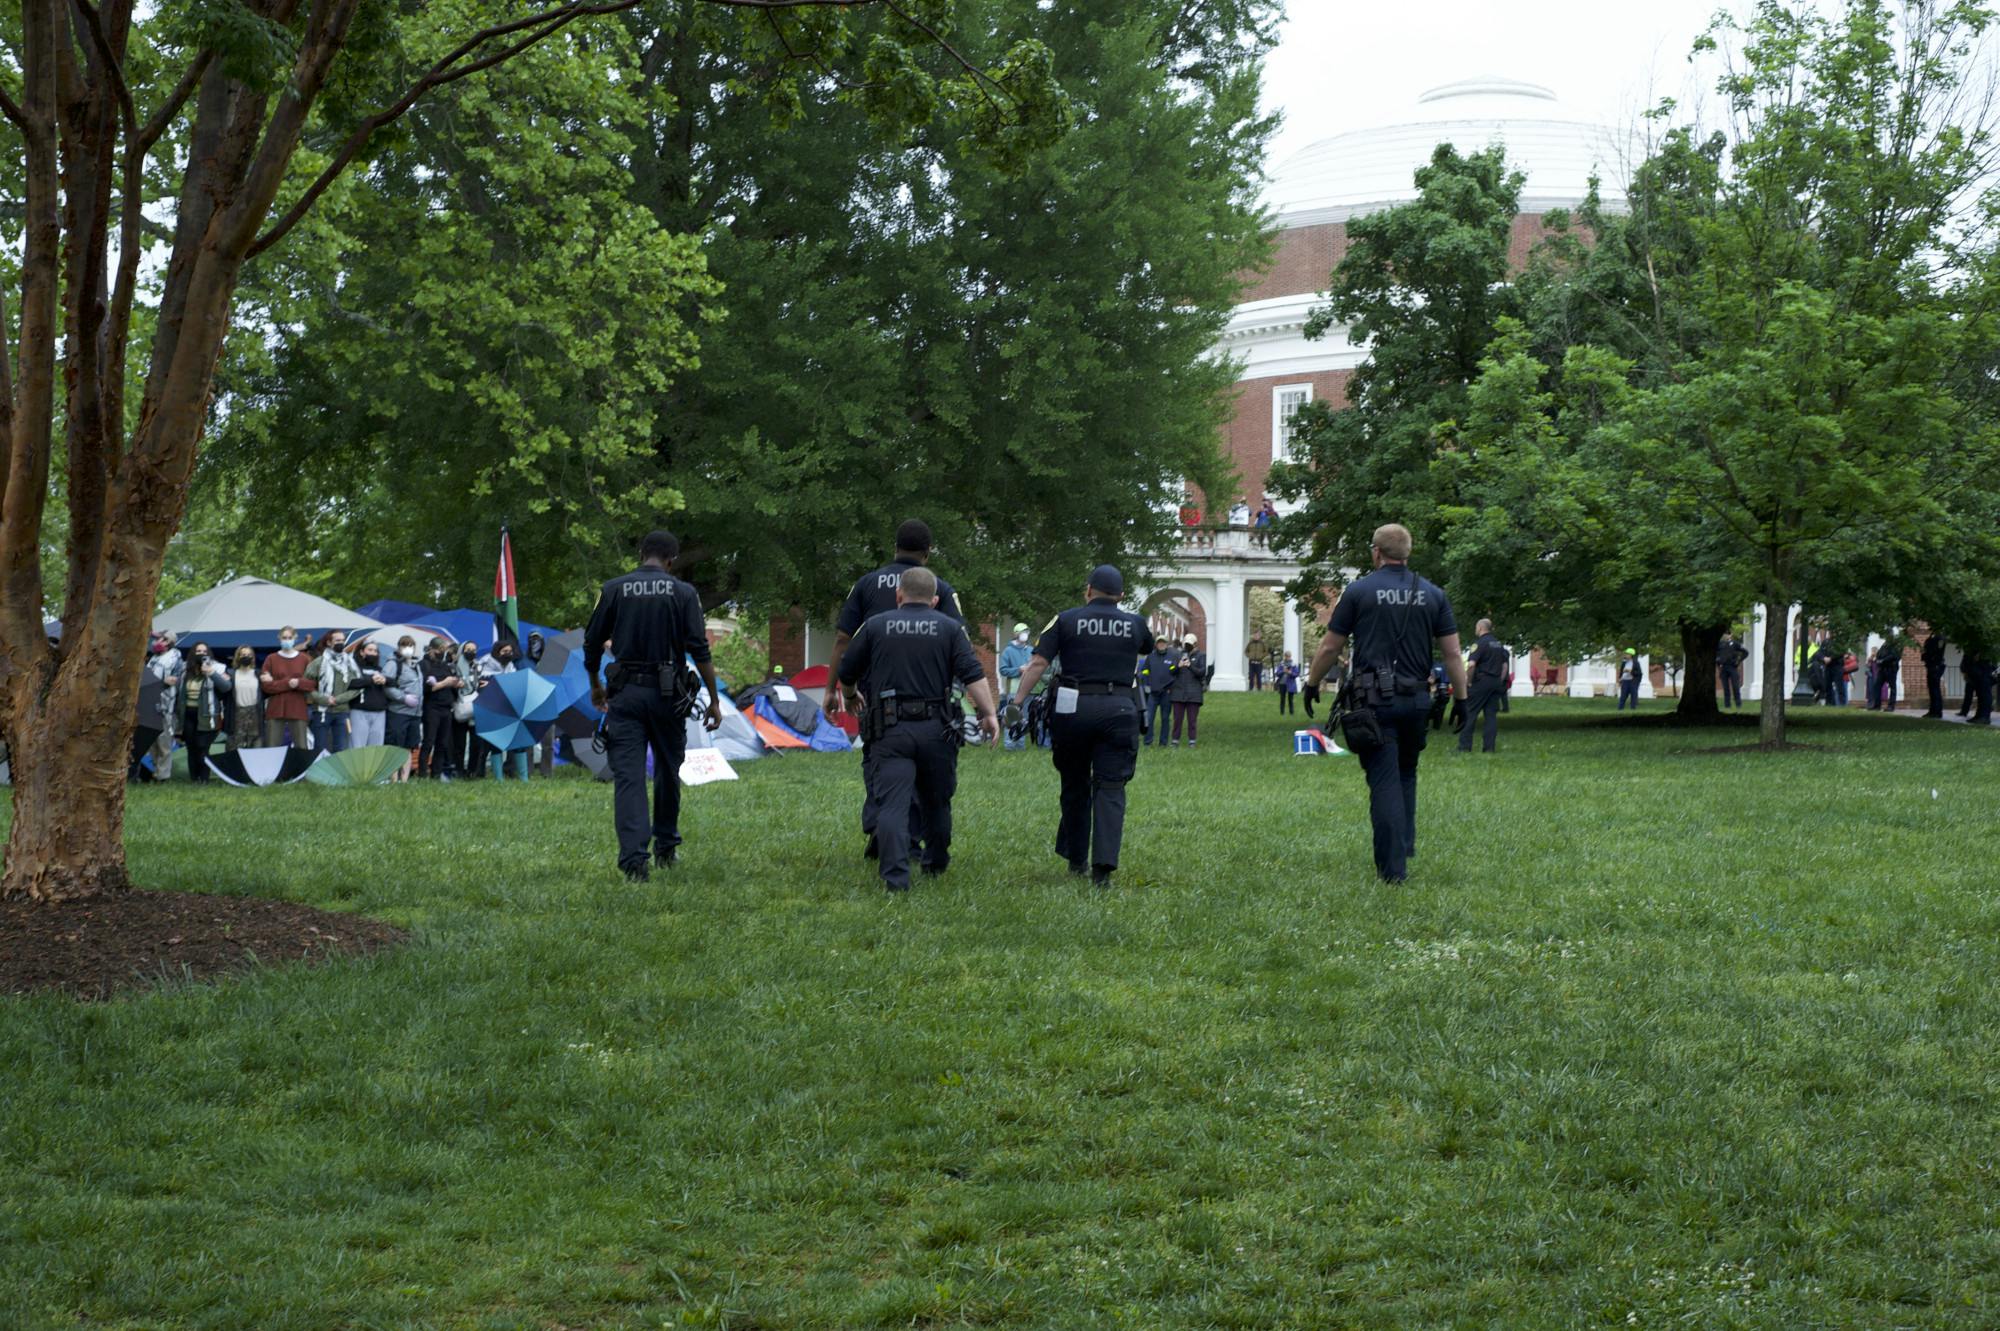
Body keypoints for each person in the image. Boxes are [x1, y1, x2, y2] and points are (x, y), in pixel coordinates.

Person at [1300, 522, 1466, 884]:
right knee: (1406, 773)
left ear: (1376, 552)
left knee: (1384, 779)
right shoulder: (1433, 594)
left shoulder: (1359, 591)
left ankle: (1393, 870)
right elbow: (1453, 653)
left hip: (1374, 701)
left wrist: (1312, 683)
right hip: (1418, 700)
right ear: (1408, 553)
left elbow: (1330, 646)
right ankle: (1402, 846)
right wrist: (1462, 699)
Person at [835, 566, 997, 891]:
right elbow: (972, 674)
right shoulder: (950, 629)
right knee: (937, 801)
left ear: (898, 596)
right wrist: (989, 713)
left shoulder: (875, 625)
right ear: (935, 600)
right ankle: (935, 863)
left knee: (893, 804)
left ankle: (895, 878)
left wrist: (851, 696)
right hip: (938, 729)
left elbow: (847, 669)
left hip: (890, 728)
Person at [585, 528, 723, 882]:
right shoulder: (684, 593)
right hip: (669, 695)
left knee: (629, 777)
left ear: (641, 555)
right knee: (667, 771)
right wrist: (714, 700)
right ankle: (666, 847)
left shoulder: (613, 589)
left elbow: (592, 642)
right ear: (671, 561)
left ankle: (634, 861)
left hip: (625, 694)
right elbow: (699, 649)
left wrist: (596, 685)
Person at [824, 519, 963, 859]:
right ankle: (905, 838)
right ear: (928, 553)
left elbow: (843, 639)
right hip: (927, 697)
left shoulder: (866, 584)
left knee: (878, 760)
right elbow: (959, 641)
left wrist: (833, 689)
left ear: (894, 547)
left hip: (873, 693)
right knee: (918, 771)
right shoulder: (939, 588)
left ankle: (882, 827)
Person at [1006, 565, 1153, 888]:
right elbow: (1146, 647)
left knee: (1074, 783)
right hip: (1119, 709)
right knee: (1110, 788)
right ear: (1121, 595)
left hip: (1072, 709)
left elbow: (1038, 663)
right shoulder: (1135, 623)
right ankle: (1103, 871)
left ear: (1088, 590)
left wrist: (1016, 703)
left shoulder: (1065, 620)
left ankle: (1076, 858)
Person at [475, 639, 531, 779]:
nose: (508, 654)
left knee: (519, 744)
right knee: (496, 745)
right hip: (493, 712)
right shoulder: (485, 666)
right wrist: (501, 685)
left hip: (511, 711)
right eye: (504, 651)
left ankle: (524, 778)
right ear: (497, 652)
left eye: (510, 651)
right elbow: (482, 690)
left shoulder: (512, 668)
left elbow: (516, 688)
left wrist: (495, 684)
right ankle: (498, 778)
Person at [129, 634, 181, 782]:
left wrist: (161, 683)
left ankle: (163, 776)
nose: (159, 642)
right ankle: (154, 772)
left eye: (164, 640)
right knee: (150, 743)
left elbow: (172, 681)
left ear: (171, 643)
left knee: (164, 744)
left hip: (166, 708)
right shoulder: (153, 659)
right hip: (149, 706)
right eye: (159, 639)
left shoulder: (175, 660)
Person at [179, 642, 229, 782]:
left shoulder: (217, 668)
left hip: (207, 715)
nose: (201, 654)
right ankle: (194, 779)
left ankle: (204, 779)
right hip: (188, 714)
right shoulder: (184, 669)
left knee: (202, 747)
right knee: (191, 747)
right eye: (198, 651)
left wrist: (212, 673)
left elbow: (226, 687)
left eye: (204, 651)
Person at [304, 630, 359, 752]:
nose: (341, 643)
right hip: (321, 711)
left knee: (341, 748)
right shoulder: (318, 663)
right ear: (329, 642)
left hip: (343, 711)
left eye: (343, 640)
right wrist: (323, 699)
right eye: (337, 640)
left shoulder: (350, 663)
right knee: (319, 749)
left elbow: (357, 687)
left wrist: (337, 699)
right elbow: (306, 687)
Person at [1459, 618, 1508, 753]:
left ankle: (1464, 747)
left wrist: (1468, 681)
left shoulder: (1479, 643)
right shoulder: (1498, 644)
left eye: (1476, 627)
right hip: (1495, 682)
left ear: (1480, 628)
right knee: (1491, 716)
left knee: (1470, 713)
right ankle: (1489, 748)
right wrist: (1498, 680)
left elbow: (1471, 664)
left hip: (1481, 682)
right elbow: (1504, 666)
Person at [259, 626, 311, 748]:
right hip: (276, 708)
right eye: (284, 638)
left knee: (301, 748)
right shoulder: (271, 659)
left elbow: (312, 684)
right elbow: (266, 686)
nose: (287, 640)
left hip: (298, 708)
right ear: (279, 638)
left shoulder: (304, 659)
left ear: (295, 638)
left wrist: (298, 683)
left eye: (289, 637)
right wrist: (289, 683)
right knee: (272, 747)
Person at [418, 637, 462, 779]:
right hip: (432, 707)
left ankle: (436, 773)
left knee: (442, 743)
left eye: (444, 650)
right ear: (431, 649)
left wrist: (455, 683)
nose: (442, 652)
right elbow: (425, 688)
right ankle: (422, 773)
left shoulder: (445, 666)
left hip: (446, 707)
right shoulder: (423, 664)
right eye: (439, 649)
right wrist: (444, 683)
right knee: (428, 741)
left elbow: (451, 682)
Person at [382, 635, 425, 779]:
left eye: (411, 646)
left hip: (415, 713)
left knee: (409, 747)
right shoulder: (393, 664)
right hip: (398, 712)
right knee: (395, 746)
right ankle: (394, 779)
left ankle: (404, 780)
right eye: (405, 645)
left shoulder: (416, 665)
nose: (408, 649)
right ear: (399, 647)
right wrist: (403, 698)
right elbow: (387, 687)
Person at [349, 639, 392, 750]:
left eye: (375, 651)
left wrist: (385, 680)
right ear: (362, 652)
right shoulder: (354, 667)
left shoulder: (380, 669)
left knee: (375, 748)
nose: (373, 653)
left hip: (379, 712)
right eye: (370, 650)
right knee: (357, 747)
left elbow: (394, 682)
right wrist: (370, 680)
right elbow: (350, 683)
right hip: (359, 711)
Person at [1167, 632, 1208, 746]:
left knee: (1192, 720)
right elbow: (1170, 670)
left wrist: (1190, 666)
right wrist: (1177, 666)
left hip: (1194, 693)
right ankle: (1175, 740)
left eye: (1189, 644)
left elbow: (1201, 672)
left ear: (1195, 644)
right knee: (1177, 719)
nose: (1187, 646)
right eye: (1186, 644)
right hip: (1178, 692)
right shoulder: (1178, 655)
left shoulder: (1201, 656)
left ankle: (1192, 741)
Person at [452, 642, 484, 779]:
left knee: (476, 743)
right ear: (462, 650)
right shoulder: (454, 666)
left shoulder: (478, 666)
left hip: (475, 709)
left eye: (474, 649)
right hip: (459, 706)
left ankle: (472, 770)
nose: (471, 652)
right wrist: (455, 685)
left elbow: (480, 682)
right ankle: (459, 770)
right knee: (459, 743)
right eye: (468, 649)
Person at [225, 646, 264, 754]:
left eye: (249, 655)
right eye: (243, 654)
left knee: (255, 749)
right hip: (237, 714)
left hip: (255, 714)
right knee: (234, 750)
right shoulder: (231, 674)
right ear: (238, 657)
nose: (246, 657)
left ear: (253, 657)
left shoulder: (258, 674)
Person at [1137, 640, 1173, 745]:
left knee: (1165, 718)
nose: (1161, 644)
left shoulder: (1171, 657)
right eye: (1159, 643)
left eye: (1163, 643)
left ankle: (1163, 742)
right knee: (1149, 718)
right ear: (1156, 645)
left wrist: (1171, 687)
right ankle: (1148, 741)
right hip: (1153, 693)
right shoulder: (1150, 657)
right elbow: (1145, 671)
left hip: (1166, 693)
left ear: (1166, 644)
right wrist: (1147, 684)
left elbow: (1174, 673)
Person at [998, 624, 1033, 701]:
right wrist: (1019, 670)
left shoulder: (1031, 650)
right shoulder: (1008, 651)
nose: (1025, 634)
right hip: (1014, 691)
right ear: (1016, 634)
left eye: (1026, 632)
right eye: (1023, 632)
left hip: (1031, 691)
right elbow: (1003, 670)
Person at [1718, 633, 1749, 709]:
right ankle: (1727, 705)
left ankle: (1738, 704)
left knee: (1735, 686)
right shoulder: (1720, 644)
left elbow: (1745, 652)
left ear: (1731, 635)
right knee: (1726, 687)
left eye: (1728, 634)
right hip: (1724, 667)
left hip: (1732, 667)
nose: (1726, 635)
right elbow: (1717, 654)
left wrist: (1738, 661)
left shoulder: (1735, 644)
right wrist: (1718, 662)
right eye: (1725, 634)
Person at [1922, 632, 1949, 718]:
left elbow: (1936, 652)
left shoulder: (1939, 638)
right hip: (1931, 665)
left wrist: (1928, 655)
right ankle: (1933, 710)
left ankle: (1937, 711)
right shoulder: (1932, 637)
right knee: (1932, 689)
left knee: (1935, 690)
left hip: (1936, 666)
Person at [1874, 637, 1901, 709]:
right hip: (1882, 669)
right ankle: (1877, 705)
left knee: (1892, 688)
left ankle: (1891, 706)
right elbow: (1878, 654)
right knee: (1877, 686)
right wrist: (1878, 660)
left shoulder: (1894, 646)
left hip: (1891, 669)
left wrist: (1883, 660)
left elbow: (1894, 656)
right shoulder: (1883, 646)